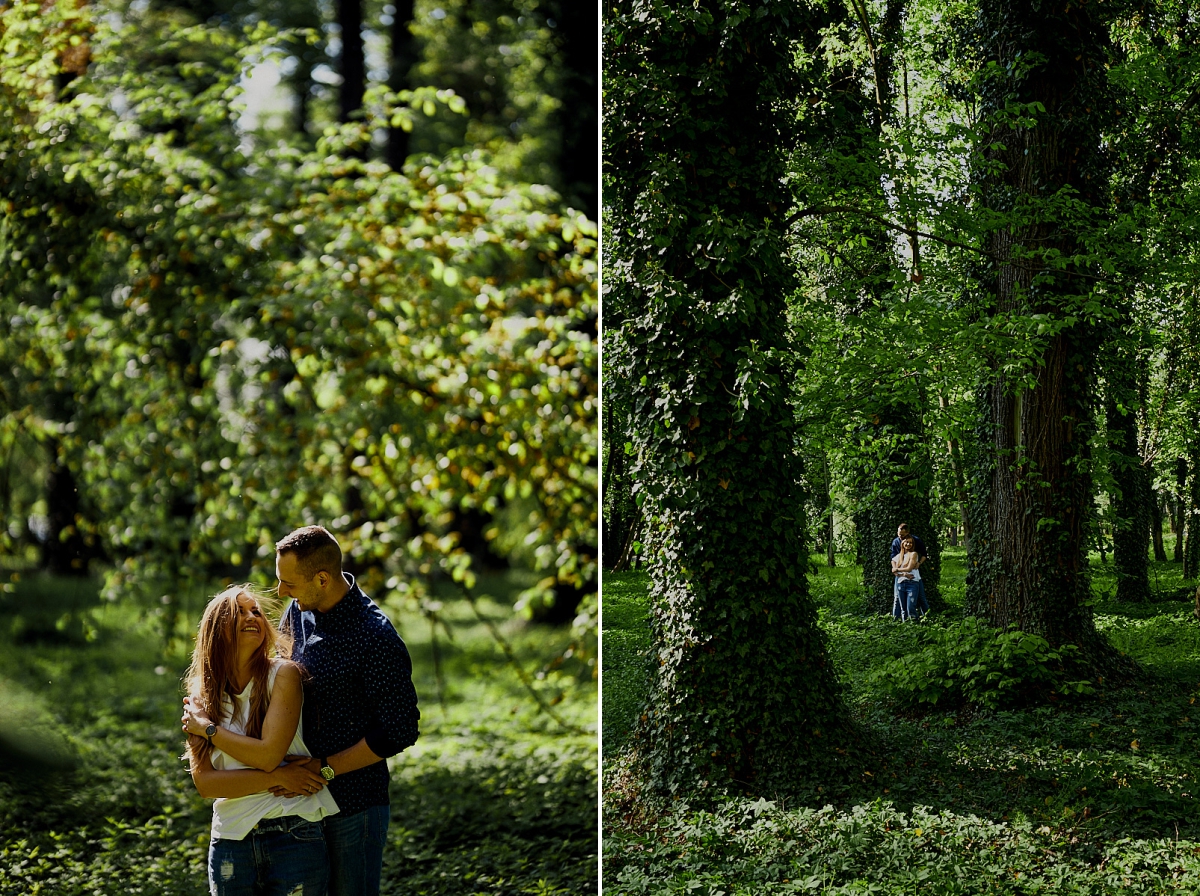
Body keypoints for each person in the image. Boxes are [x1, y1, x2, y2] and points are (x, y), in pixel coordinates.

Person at [273, 526, 420, 896]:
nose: (281, 592)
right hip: (298, 800)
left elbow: (399, 729)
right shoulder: (297, 612)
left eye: (288, 583)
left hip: (354, 805)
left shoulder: (374, 636)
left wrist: (325, 767)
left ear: (322, 579)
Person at [181, 586, 338, 896]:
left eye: (256, 611)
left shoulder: (283, 675)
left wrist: (210, 730)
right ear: (218, 628)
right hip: (231, 839)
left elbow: (268, 755)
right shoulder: (203, 693)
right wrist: (279, 776)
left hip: (293, 831)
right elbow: (207, 784)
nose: (252, 617)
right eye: (240, 612)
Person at [890, 522, 929, 620]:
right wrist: (902, 573)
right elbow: (893, 560)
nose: (900, 536)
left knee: (921, 597)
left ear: (908, 533)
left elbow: (924, 554)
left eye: (902, 535)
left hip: (914, 576)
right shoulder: (896, 542)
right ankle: (896, 619)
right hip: (900, 576)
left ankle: (927, 617)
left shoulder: (916, 541)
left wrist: (919, 563)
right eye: (898, 534)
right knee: (897, 599)